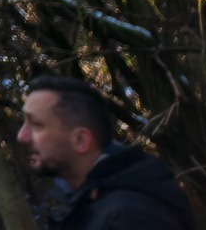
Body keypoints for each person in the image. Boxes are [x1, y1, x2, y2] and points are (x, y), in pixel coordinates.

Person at [16, 76, 193, 230]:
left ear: (81, 140)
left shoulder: (131, 217)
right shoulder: (90, 207)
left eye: (37, 125)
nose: (21, 136)